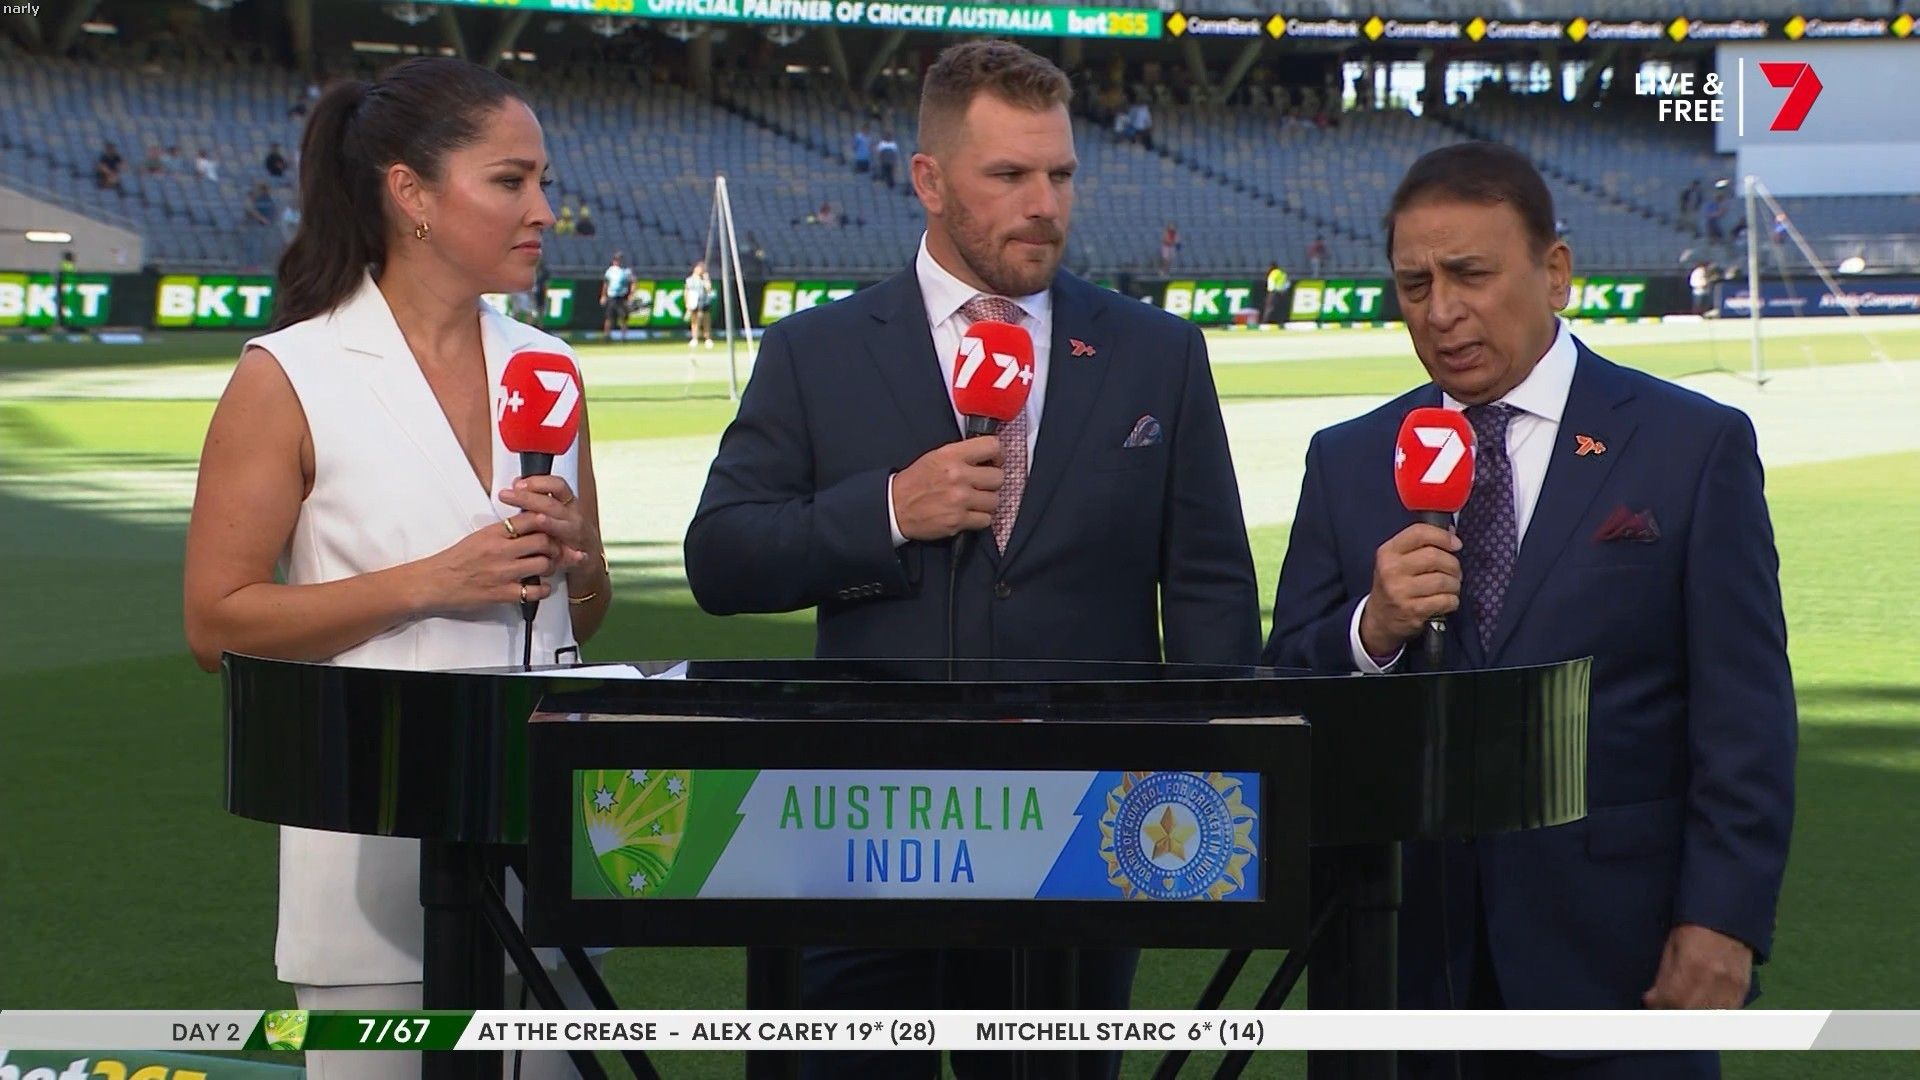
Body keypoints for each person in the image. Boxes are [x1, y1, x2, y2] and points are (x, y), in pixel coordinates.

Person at [684, 40, 1259, 1080]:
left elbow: (1211, 588)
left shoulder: (1156, 353)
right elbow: (721, 560)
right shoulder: (816, 353)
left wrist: (1211, 789)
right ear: (930, 180)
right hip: (860, 838)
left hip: (1083, 838)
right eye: (1010, 175)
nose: (1044, 204)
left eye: (1061, 174)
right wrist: (888, 510)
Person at [1262, 142, 1794, 1080]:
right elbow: (1281, 694)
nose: (1441, 311)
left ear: (1555, 272)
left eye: (1470, 274)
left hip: (1617, 967)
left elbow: (1743, 712)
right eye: (1415, 284)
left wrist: (1724, 918)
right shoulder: (1348, 460)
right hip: (1397, 970)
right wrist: (1370, 631)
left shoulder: (1689, 446)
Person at [181, 56, 612, 1080]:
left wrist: (575, 562)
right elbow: (216, 623)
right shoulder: (291, 375)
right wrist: (427, 582)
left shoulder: (548, 365)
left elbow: (586, 615)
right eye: (510, 180)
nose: (543, 210)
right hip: (367, 855)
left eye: (543, 181)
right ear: (410, 193)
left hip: (547, 844)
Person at [684, 259, 714, 352]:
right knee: (694, 322)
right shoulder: (690, 280)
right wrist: (687, 304)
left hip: (704, 302)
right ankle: (694, 338)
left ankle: (707, 339)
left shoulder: (704, 279)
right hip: (694, 303)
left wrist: (706, 279)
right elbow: (686, 292)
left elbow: (709, 289)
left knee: (706, 321)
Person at [600, 250, 632, 338]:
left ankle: (624, 337)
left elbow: (633, 282)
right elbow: (606, 284)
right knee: (609, 317)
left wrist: (631, 294)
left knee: (624, 317)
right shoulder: (610, 271)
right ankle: (606, 336)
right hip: (612, 297)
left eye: (620, 260)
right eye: (617, 260)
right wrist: (603, 295)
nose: (618, 262)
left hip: (622, 297)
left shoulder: (626, 271)